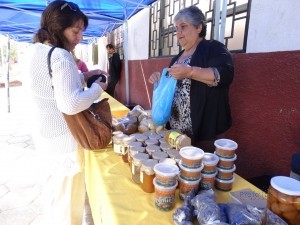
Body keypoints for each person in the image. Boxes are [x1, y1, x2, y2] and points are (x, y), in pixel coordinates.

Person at [23, 1, 108, 225]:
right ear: (57, 27)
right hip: (66, 146)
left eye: (81, 31)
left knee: (56, 202)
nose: (80, 37)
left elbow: (50, 87)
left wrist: (83, 77)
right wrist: (98, 88)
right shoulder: (60, 55)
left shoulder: (33, 51)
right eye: (75, 30)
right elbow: (70, 103)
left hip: (46, 141)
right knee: (69, 208)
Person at [149, 6, 234, 153]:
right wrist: (160, 79)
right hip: (177, 133)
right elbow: (171, 87)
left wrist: (190, 72)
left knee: (203, 171)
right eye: (176, 28)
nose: (178, 33)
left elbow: (224, 74)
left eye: (183, 27)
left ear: (199, 27)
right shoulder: (177, 58)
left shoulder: (213, 48)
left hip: (204, 132)